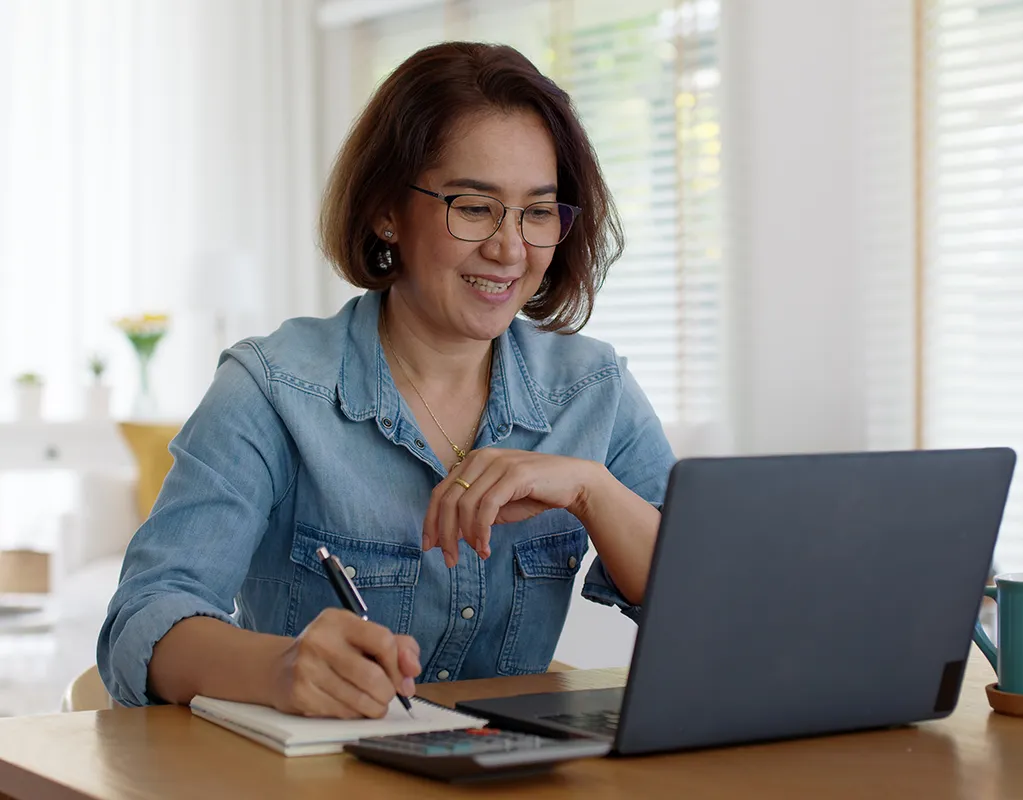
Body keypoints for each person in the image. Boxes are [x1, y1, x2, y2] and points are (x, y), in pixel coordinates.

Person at [96, 41, 675, 717]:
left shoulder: (593, 388)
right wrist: (282, 668)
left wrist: (589, 488)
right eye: (474, 205)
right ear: (386, 212)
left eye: (538, 212)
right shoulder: (272, 389)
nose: (511, 248)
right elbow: (143, 619)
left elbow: (715, 607)